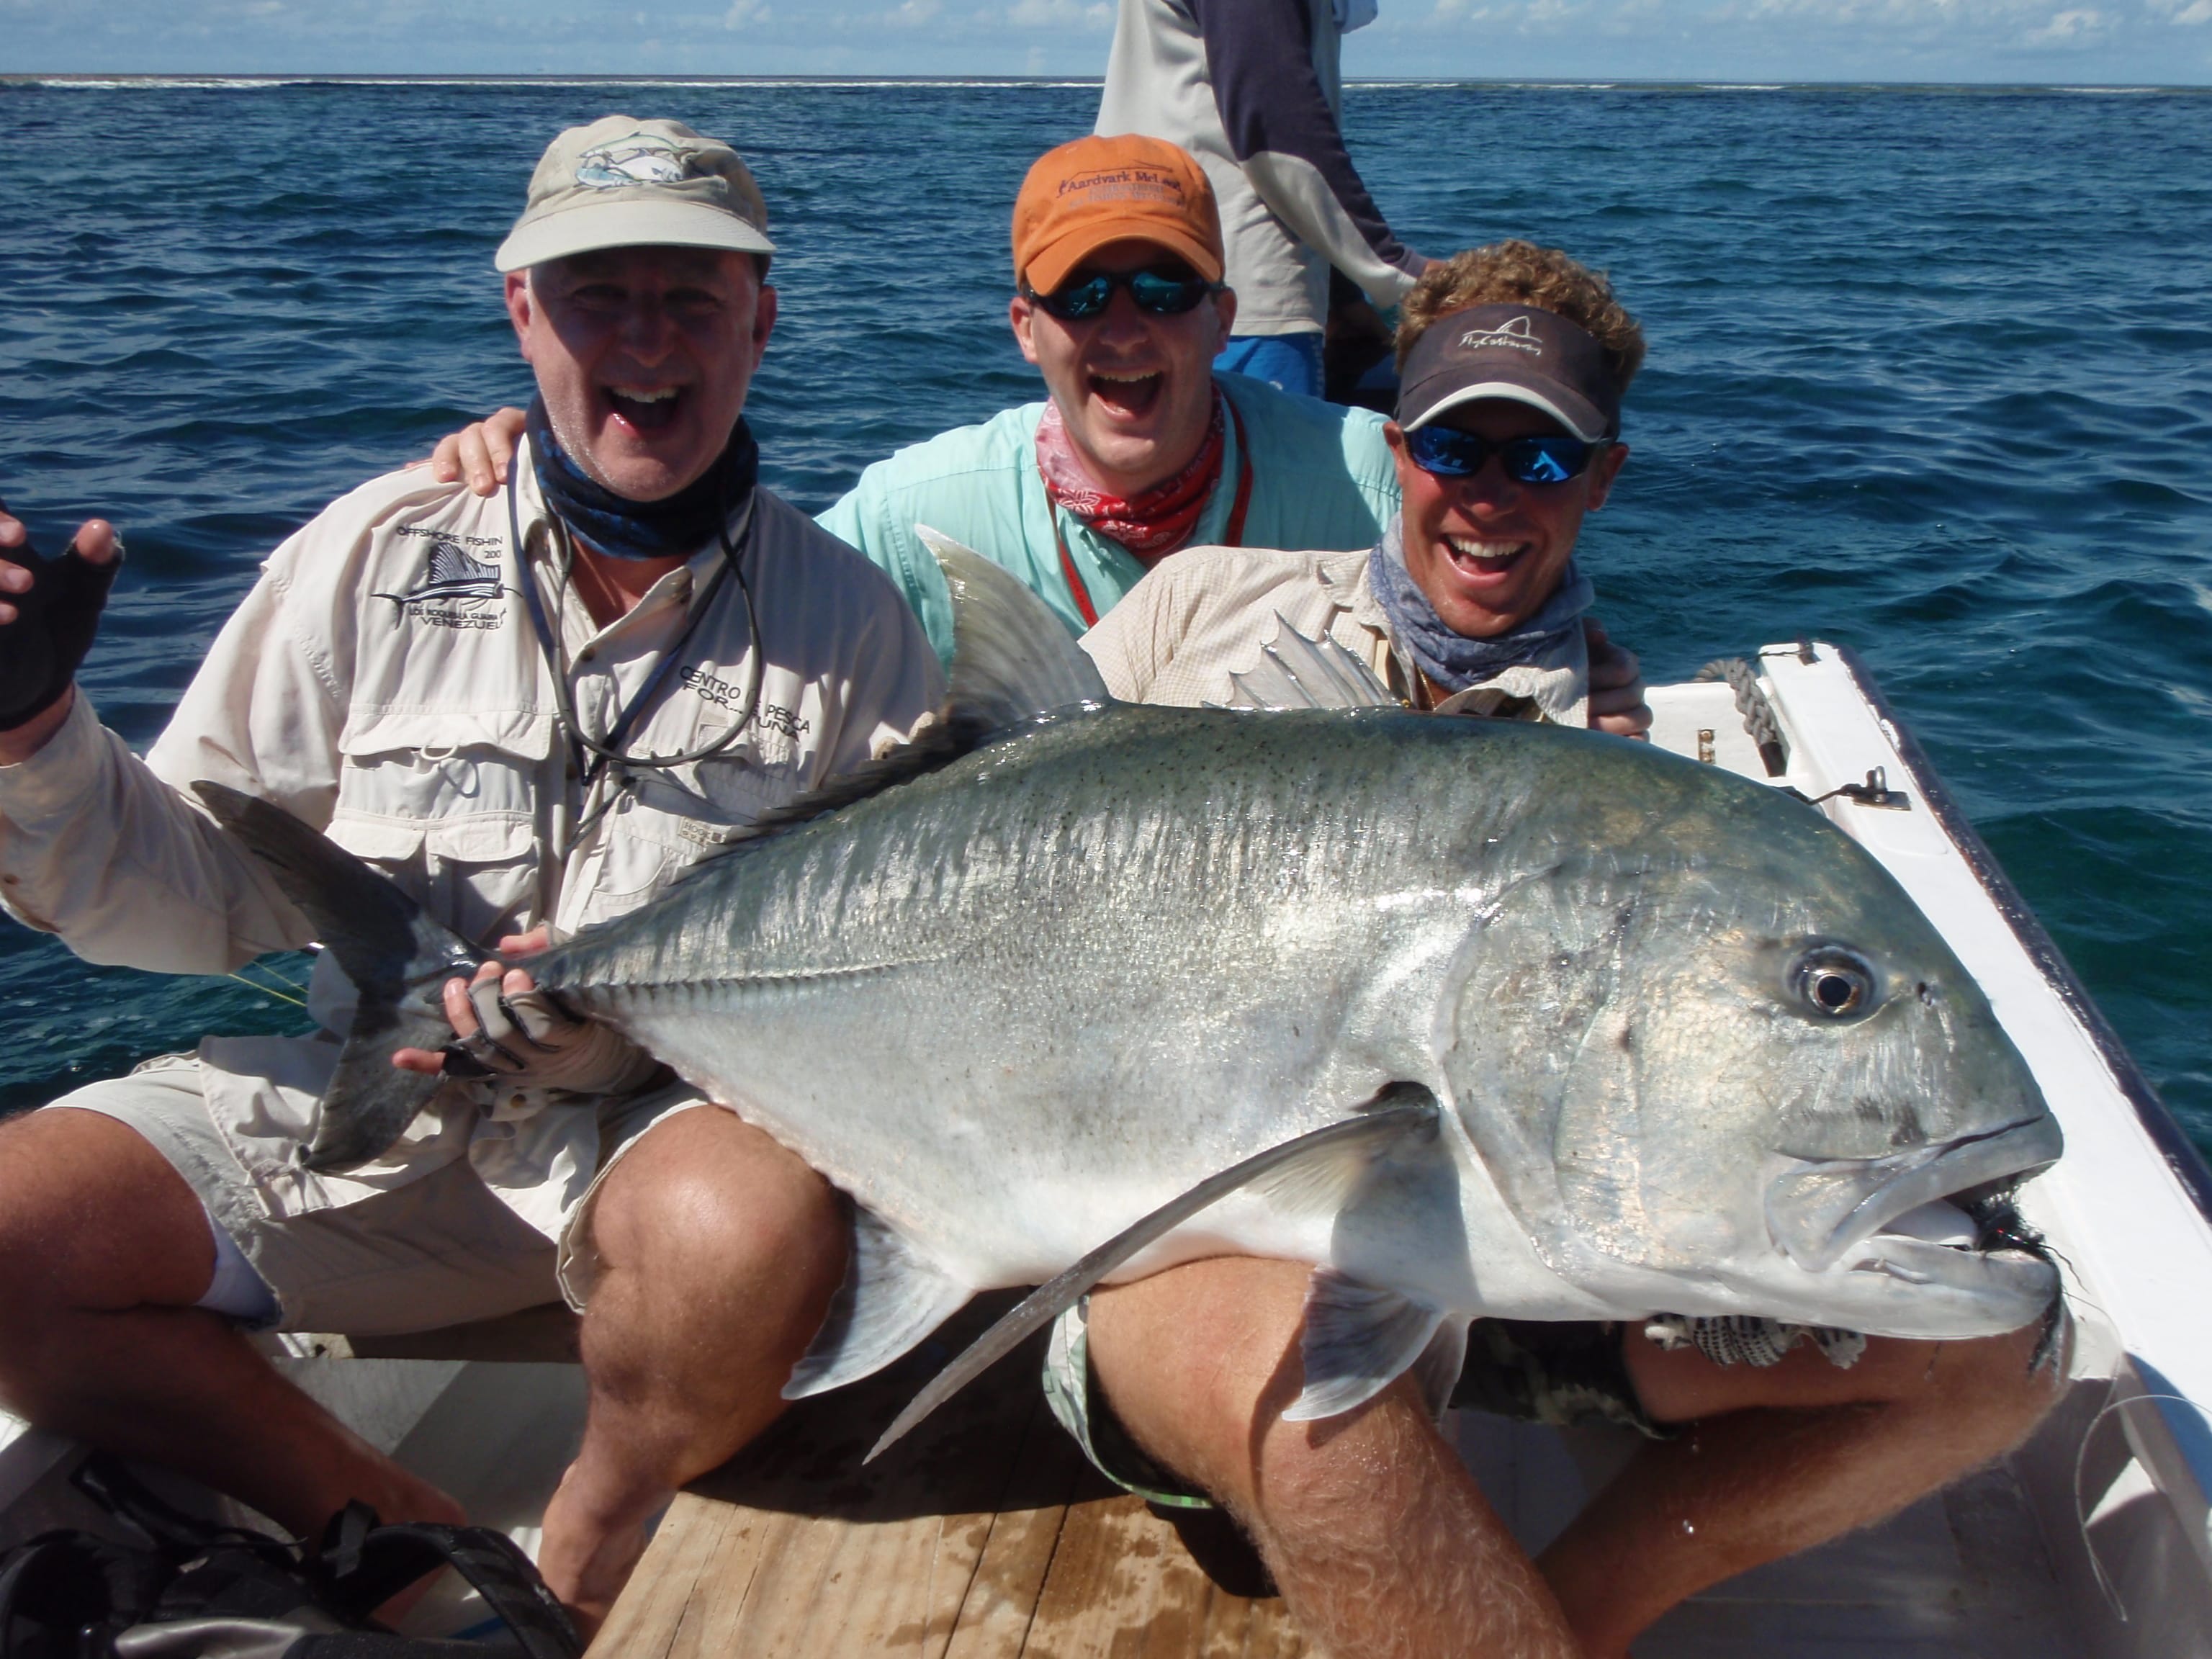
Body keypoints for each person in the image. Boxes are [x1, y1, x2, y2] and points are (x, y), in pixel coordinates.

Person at [0, 116, 942, 1635]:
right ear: (522, 316)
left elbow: (865, 993)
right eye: (597, 298)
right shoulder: (376, 550)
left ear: (760, 324)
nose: (648, 341)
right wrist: (37, 735)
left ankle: (569, 1572)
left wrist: (616, 1033)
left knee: (749, 1227)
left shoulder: (852, 628)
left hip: (647, 1153)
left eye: (693, 300)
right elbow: (183, 905)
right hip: (370, 1133)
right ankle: (402, 1531)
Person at [1071, 244, 2067, 1658]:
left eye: (1539, 462)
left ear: (1602, 478)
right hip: (1174, 1220)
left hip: (1489, 1244)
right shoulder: (1202, 608)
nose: (1486, 495)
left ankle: (1586, 1616)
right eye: (1454, 447)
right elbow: (995, 805)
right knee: (1331, 1408)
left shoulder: (1616, 782)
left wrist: (1735, 1248)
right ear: (1393, 450)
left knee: (1998, 1354)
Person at [434, 134, 1654, 738]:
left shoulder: (1359, 466)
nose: (1122, 329)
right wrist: (545, 469)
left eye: (1164, 293)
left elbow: (1488, 543)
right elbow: (729, 609)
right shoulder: (921, 508)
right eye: (1081, 296)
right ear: (1026, 328)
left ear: (1223, 319)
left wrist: (1577, 656)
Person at [1094, 0, 1427, 399]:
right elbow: (1275, 135)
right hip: (1243, 297)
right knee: (1263, 458)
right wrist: (1399, 270)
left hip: (1153, 279)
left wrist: (1341, 295)